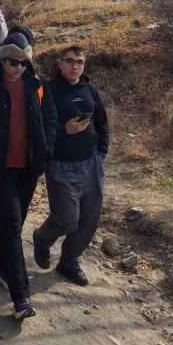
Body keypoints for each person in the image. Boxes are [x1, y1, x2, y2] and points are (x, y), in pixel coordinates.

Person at [0, 39, 56, 321]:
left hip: (28, 168)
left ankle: (1, 268)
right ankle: (21, 297)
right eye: (13, 62)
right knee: (10, 226)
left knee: (15, 225)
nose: (19, 68)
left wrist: (46, 149)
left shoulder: (37, 85)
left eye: (24, 63)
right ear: (2, 60)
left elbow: (50, 120)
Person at [33, 46, 109, 287]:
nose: (75, 66)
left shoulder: (90, 91)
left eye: (80, 62)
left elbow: (102, 122)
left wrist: (101, 152)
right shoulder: (47, 90)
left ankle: (69, 261)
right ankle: (42, 239)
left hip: (91, 164)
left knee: (89, 219)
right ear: (60, 64)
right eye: (70, 61)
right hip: (61, 165)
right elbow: (37, 127)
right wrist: (64, 130)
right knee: (67, 220)